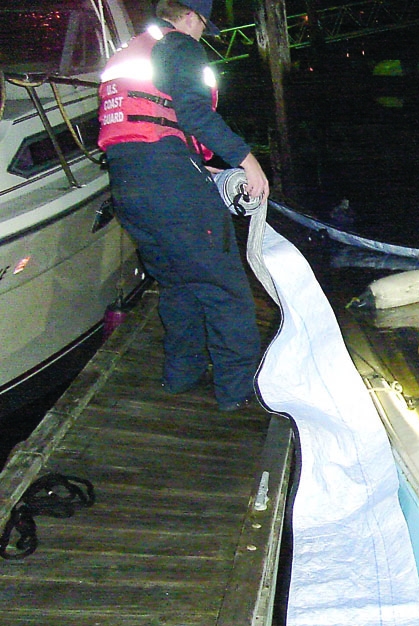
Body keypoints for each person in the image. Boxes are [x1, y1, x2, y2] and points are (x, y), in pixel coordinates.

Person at [98, 0, 269, 411]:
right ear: (191, 16)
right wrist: (249, 162)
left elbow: (144, 130)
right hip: (169, 184)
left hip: (127, 185)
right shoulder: (178, 46)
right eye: (202, 26)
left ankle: (181, 375)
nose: (200, 37)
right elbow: (193, 115)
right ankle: (237, 392)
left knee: (177, 284)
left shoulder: (130, 50)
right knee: (223, 288)